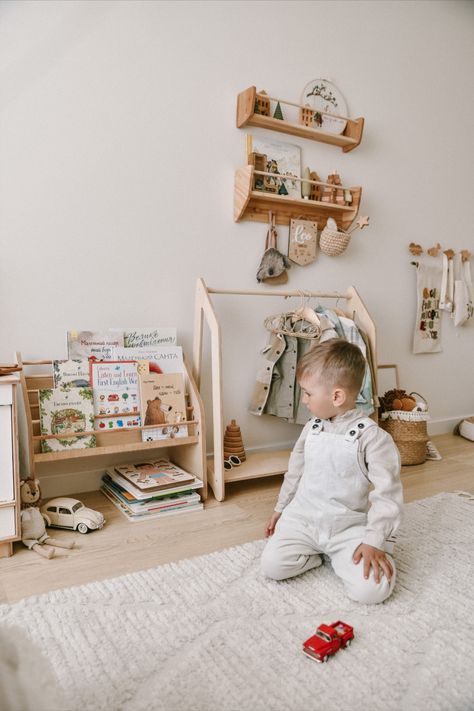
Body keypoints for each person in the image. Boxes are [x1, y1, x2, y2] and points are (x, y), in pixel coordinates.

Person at [261, 338, 403, 604]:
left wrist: (374, 541)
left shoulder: (373, 438)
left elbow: (388, 495)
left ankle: (358, 556)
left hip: (346, 527)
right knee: (272, 566)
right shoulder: (312, 428)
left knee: (371, 591)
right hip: (304, 519)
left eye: (308, 393)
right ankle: (317, 556)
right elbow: (295, 473)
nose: (303, 400)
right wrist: (280, 509)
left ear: (336, 396)